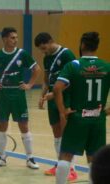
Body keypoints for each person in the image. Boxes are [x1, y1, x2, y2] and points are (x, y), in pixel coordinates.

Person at [54, 32, 110, 184]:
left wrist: (62, 111)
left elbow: (57, 88)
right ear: (96, 46)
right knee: (94, 158)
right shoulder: (107, 66)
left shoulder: (73, 65)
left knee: (65, 155)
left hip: (78, 118)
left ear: (82, 45)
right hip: (98, 120)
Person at [0, 27, 41, 169]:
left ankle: (30, 158)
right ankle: (1, 157)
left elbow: (37, 69)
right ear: (4, 39)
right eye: (12, 37)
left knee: (24, 125)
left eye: (16, 37)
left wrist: (30, 85)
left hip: (18, 95)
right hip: (3, 95)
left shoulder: (23, 54)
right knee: (2, 125)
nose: (15, 40)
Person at [34, 32, 77, 180]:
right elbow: (46, 79)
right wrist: (43, 95)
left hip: (66, 97)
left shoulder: (67, 54)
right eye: (41, 49)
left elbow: (74, 78)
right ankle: (60, 164)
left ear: (51, 41)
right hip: (52, 97)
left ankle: (72, 169)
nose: (43, 51)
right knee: (56, 132)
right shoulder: (47, 58)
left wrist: (56, 92)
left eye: (44, 47)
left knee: (67, 133)